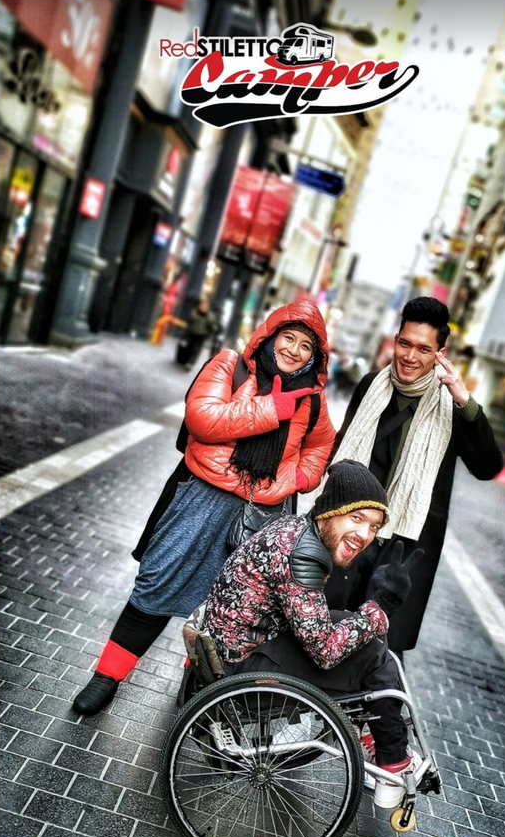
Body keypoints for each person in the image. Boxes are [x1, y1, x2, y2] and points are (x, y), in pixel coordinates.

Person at [73, 301, 336, 715]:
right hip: (202, 497)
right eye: (288, 337)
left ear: (315, 358)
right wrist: (273, 409)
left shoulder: (312, 401)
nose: (295, 350)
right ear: (269, 336)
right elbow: (202, 417)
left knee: (231, 609)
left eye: (307, 346)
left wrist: (299, 479)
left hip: (263, 513)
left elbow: (321, 445)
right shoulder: (229, 366)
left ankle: (195, 697)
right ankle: (106, 677)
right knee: (158, 584)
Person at [201, 459, 426, 810]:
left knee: (360, 631)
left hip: (240, 643)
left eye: (374, 527)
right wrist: (383, 604)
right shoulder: (303, 554)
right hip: (243, 671)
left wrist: (367, 618)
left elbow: (314, 622)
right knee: (374, 657)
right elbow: (325, 652)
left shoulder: (295, 528)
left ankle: (377, 735)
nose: (365, 535)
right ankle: (393, 760)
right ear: (331, 510)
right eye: (357, 519)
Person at [323, 297, 504, 653]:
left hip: (403, 547)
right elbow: (341, 451)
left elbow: (488, 467)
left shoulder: (453, 405)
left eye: (423, 348)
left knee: (376, 652)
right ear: (395, 339)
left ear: (440, 352)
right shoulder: (370, 386)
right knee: (323, 631)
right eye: (404, 343)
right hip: (349, 535)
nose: (410, 356)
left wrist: (465, 400)